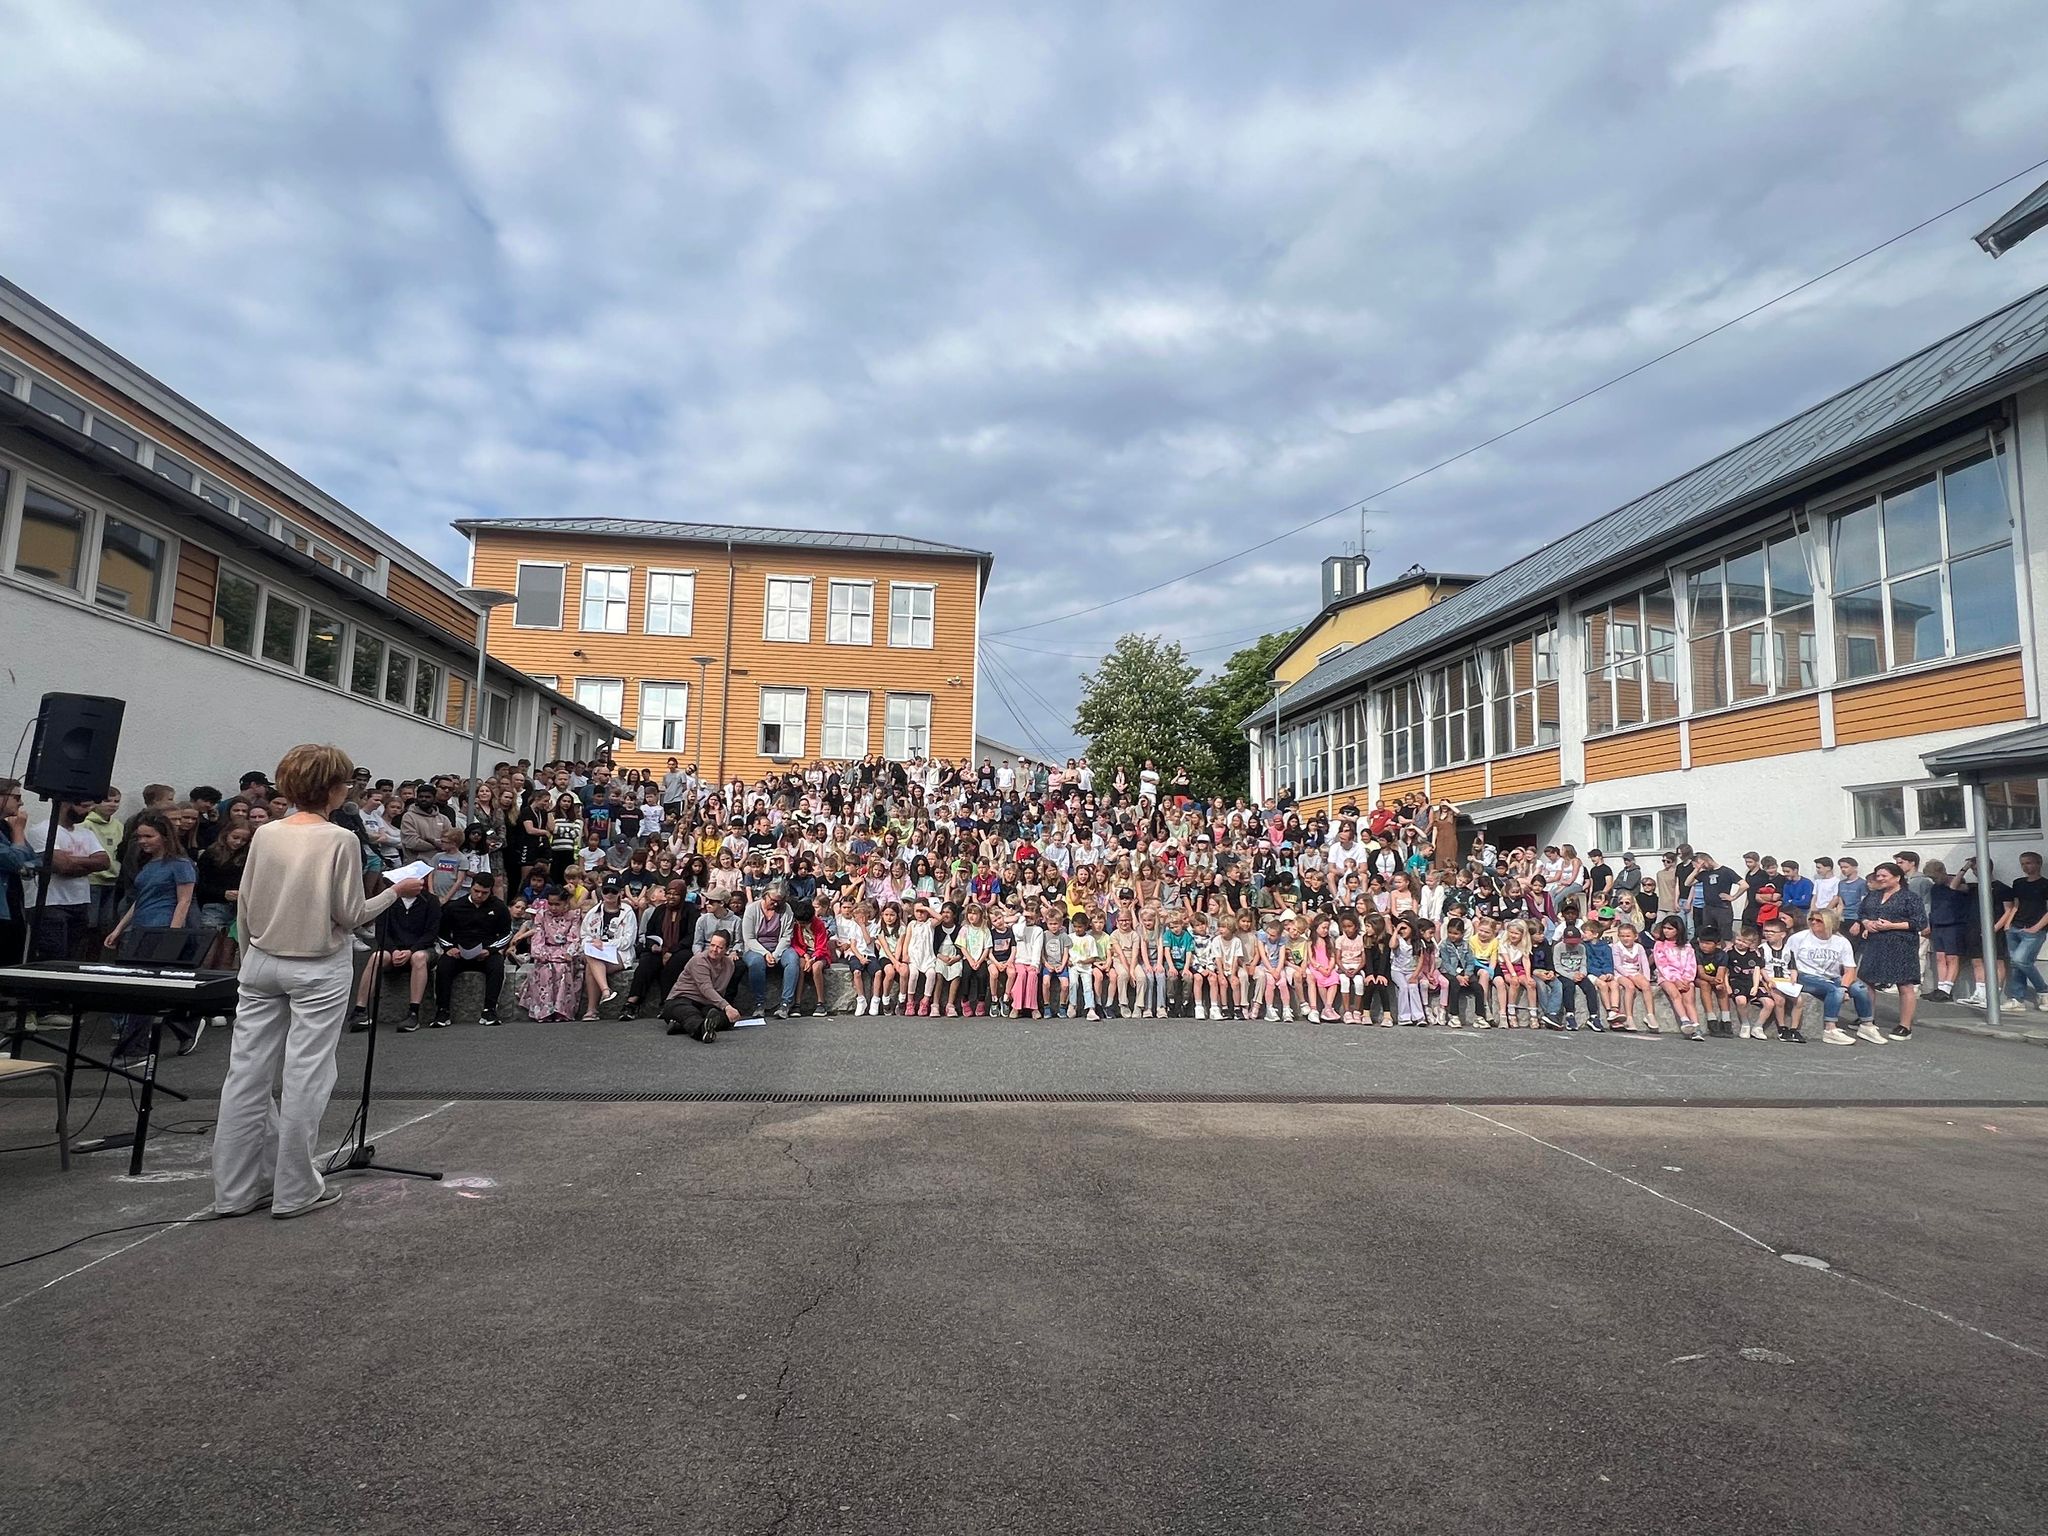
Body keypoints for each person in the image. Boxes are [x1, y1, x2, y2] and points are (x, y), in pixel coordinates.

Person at [211, 744, 425, 1220]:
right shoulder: (339, 839)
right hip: (316, 964)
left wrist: (250, 960)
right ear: (333, 787)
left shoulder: (265, 833)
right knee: (307, 1073)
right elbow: (350, 914)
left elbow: (244, 905)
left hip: (261, 960)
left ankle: (235, 1189)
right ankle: (293, 1189)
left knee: (245, 1075)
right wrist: (395, 891)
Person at [24, 796, 109, 960]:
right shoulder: (42, 830)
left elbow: (104, 862)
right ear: (66, 804)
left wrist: (73, 861)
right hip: (50, 902)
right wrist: (87, 864)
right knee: (53, 955)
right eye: (84, 806)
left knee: (74, 956)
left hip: (80, 901)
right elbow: (63, 866)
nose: (88, 811)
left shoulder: (86, 832)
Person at [351, 879, 440, 1033]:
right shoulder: (390, 900)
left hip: (421, 949)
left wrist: (411, 950)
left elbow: (431, 933)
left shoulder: (431, 901)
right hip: (393, 950)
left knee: (418, 958)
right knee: (376, 957)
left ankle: (414, 1012)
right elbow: (381, 932)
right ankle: (360, 1009)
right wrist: (393, 951)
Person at [1854, 861, 1925, 1041]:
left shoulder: (1910, 897)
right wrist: (1867, 923)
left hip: (1901, 943)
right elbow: (1862, 914)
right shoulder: (1873, 896)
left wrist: (1892, 925)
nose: (1880, 879)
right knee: (1867, 980)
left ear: (1897, 877)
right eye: (1878, 875)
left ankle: (1905, 1026)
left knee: (1905, 983)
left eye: (1884, 876)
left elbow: (1919, 923)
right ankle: (1867, 1018)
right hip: (1875, 942)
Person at [1788, 910, 1880, 1046]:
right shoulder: (1798, 938)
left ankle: (1867, 1025)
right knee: (1833, 990)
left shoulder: (1842, 942)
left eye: (1819, 920)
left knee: (1861, 989)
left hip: (1832, 976)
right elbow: (1788, 961)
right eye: (1811, 919)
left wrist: (1845, 988)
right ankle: (1830, 1029)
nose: (1813, 922)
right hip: (1805, 975)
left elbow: (1850, 970)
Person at [435, 872, 513, 1026]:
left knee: (497, 965)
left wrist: (490, 950)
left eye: (484, 893)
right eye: (476, 891)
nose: (479, 895)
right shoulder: (454, 906)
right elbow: (441, 932)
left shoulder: (499, 907)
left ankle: (489, 1010)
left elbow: (507, 933)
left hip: (486, 952)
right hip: (459, 951)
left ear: (490, 891)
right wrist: (449, 947)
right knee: (443, 966)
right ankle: (442, 1011)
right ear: (471, 888)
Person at [661, 929, 742, 1041]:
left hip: (705, 1004)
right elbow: (706, 988)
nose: (714, 949)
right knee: (690, 1013)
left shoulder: (729, 965)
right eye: (712, 945)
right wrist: (727, 1006)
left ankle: (680, 1027)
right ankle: (702, 1031)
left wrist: (728, 1011)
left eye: (719, 947)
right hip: (681, 999)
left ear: (727, 949)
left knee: (727, 1018)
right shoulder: (699, 960)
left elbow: (720, 991)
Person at [741, 885, 802, 1019]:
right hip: (755, 947)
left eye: (779, 901)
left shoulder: (786, 909)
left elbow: (786, 937)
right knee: (756, 963)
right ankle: (759, 1004)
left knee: (793, 960)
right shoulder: (752, 909)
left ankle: (786, 1003)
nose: (775, 904)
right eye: (773, 900)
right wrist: (765, 953)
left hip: (778, 946)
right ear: (765, 895)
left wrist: (775, 955)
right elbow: (749, 938)